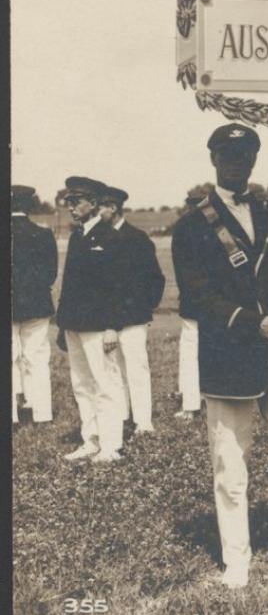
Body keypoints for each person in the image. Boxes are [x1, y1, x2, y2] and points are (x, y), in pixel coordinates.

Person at [171, 123, 268, 587]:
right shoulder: (193, 224)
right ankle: (236, 557)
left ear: (256, 161)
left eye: (246, 157)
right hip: (229, 356)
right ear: (213, 158)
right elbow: (197, 298)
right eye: (228, 156)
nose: (237, 164)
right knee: (229, 462)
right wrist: (251, 320)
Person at [56, 176, 129, 462]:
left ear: (95, 203)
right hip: (75, 324)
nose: (71, 207)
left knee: (105, 383)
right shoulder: (77, 237)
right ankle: (92, 440)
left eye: (77, 202)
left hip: (99, 325)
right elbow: (70, 284)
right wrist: (63, 325)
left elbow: (119, 287)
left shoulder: (112, 237)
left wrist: (113, 326)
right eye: (69, 202)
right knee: (82, 384)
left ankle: (112, 446)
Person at [99, 185, 165, 436]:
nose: (97, 211)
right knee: (113, 369)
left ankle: (144, 421)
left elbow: (154, 279)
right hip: (107, 319)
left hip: (133, 317)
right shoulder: (99, 237)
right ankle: (121, 415)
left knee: (137, 368)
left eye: (101, 207)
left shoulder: (137, 238)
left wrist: (144, 307)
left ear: (113, 207)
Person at [11, 185, 58, 424]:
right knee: (38, 360)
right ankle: (43, 414)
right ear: (29, 206)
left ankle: (11, 417)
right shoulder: (44, 234)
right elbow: (50, 274)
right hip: (36, 305)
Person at [175, 192, 206, 421]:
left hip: (193, 303)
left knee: (190, 354)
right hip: (215, 304)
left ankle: (191, 404)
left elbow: (182, 272)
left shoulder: (184, 227)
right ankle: (203, 398)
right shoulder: (216, 226)